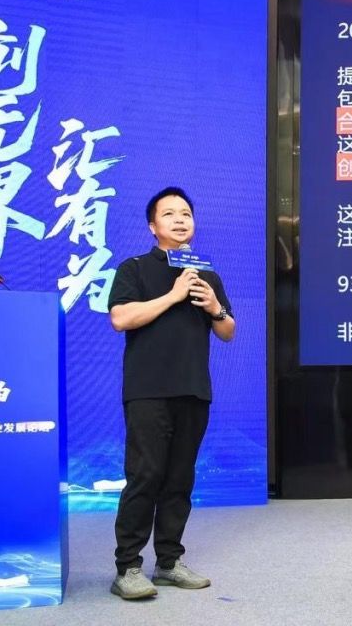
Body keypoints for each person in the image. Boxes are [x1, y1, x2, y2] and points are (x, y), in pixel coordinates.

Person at [107, 186, 235, 600]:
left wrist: (214, 306)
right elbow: (121, 318)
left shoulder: (206, 275)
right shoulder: (134, 268)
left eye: (186, 214)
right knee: (145, 476)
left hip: (193, 390)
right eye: (169, 214)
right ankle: (128, 567)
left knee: (180, 479)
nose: (180, 220)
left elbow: (228, 331)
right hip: (148, 390)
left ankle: (168, 562)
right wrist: (173, 295)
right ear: (152, 226)